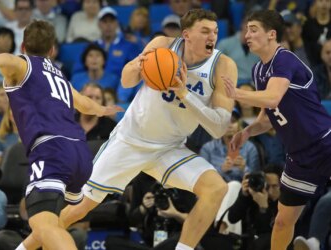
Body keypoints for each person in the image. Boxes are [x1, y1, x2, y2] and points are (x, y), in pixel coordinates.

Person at [21, 8, 238, 250]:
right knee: (77, 209)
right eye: (205, 31)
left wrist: (184, 93)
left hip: (169, 148)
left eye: (215, 32)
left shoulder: (223, 66)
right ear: (186, 34)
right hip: (130, 141)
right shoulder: (163, 45)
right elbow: (126, 80)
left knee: (216, 188)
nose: (212, 37)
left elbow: (219, 127)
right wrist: (137, 67)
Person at [0, 19, 123, 250]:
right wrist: (103, 110)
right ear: (52, 50)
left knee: (42, 224)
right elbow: (85, 105)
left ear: (23, 47)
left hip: (51, 150)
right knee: (53, 224)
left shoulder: (23, 64)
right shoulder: (59, 76)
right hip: (80, 152)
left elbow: (7, 59)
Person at [221, 9, 331, 250]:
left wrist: (236, 93)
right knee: (282, 220)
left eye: (253, 30)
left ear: (272, 34)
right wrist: (246, 132)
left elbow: (272, 98)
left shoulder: (285, 59)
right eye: (246, 30)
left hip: (324, 144)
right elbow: (269, 117)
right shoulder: (258, 70)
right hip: (299, 155)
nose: (247, 35)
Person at [228, 164, 283, 250]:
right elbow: (232, 218)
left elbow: (268, 235)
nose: (270, 191)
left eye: (275, 186)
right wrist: (243, 195)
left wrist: (263, 208)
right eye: (267, 186)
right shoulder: (255, 193)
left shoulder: (288, 203)